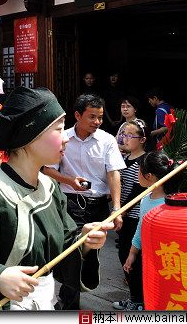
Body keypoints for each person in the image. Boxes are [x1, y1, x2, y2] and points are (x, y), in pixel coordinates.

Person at [0, 86, 110, 310]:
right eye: (58, 129)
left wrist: (83, 243)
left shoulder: (50, 187)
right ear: (30, 136)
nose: (65, 138)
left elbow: (62, 244)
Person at [42, 93, 125, 310]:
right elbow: (46, 168)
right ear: (77, 115)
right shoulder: (63, 139)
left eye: (99, 117)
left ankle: (69, 296)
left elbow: (113, 173)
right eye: (92, 117)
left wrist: (116, 208)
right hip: (68, 203)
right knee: (71, 251)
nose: (97, 122)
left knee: (88, 254)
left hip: (97, 206)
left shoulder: (107, 140)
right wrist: (70, 180)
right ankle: (69, 303)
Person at [119, 151, 183, 311]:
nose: (137, 175)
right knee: (141, 279)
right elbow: (141, 227)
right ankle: (138, 301)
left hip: (163, 257)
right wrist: (133, 253)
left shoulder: (170, 204)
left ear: (150, 176)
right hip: (145, 253)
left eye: (139, 172)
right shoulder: (145, 199)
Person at [112, 120, 148, 311]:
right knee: (124, 256)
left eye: (129, 135)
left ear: (142, 139)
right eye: (123, 134)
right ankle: (135, 297)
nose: (124, 138)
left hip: (134, 216)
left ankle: (139, 300)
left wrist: (120, 212)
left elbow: (137, 191)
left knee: (132, 257)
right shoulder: (124, 160)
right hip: (124, 215)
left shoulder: (144, 161)